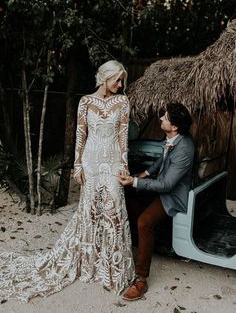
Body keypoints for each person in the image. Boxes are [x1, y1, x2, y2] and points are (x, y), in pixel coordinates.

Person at [0, 60, 135, 303]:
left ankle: (114, 271)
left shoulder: (123, 102)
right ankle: (91, 265)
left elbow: (123, 137)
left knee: (114, 211)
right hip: (91, 162)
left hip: (113, 162)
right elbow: (80, 135)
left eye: (122, 80)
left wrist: (124, 166)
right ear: (105, 78)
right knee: (90, 212)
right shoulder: (86, 102)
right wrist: (77, 165)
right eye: (117, 79)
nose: (120, 84)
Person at [119, 102, 195, 301]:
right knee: (127, 194)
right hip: (162, 187)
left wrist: (135, 181)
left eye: (165, 117)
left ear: (175, 126)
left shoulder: (185, 148)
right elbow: (161, 161)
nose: (161, 118)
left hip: (173, 196)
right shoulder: (173, 138)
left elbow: (166, 185)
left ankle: (141, 279)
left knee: (145, 221)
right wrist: (142, 175)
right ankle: (142, 237)